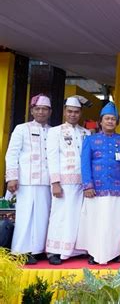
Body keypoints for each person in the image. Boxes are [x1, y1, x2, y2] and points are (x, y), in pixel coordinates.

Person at [76, 102, 120, 265]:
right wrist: (88, 185)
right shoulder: (90, 140)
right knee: (95, 221)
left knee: (113, 222)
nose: (110, 122)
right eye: (107, 119)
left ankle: (113, 253)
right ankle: (94, 253)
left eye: (113, 119)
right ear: (101, 121)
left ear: (117, 122)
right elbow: (85, 163)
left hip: (115, 188)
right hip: (95, 188)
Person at [5, 94, 52, 264]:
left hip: (46, 181)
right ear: (32, 111)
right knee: (25, 217)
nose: (41, 112)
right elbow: (12, 154)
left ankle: (37, 250)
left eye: (45, 109)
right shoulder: (21, 128)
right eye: (38, 109)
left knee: (42, 216)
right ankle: (21, 251)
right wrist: (12, 177)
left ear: (50, 111)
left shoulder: (52, 131)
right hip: (25, 181)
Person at [46, 95, 91, 265]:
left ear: (80, 113)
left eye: (76, 112)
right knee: (60, 215)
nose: (73, 115)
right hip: (63, 182)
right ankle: (55, 251)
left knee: (79, 216)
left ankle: (75, 250)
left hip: (82, 183)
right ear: (65, 112)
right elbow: (52, 157)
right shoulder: (55, 131)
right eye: (70, 111)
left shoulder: (86, 132)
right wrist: (55, 182)